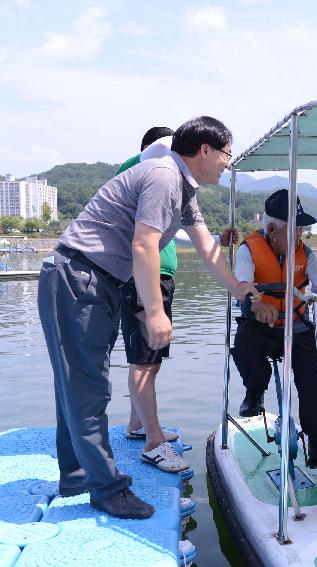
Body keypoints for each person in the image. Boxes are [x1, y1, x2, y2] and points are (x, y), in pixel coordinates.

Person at [38, 116, 257, 519]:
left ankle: (75, 475)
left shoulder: (183, 188)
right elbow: (144, 244)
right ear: (205, 150)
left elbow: (207, 246)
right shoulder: (163, 176)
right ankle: (107, 489)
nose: (229, 163)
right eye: (227, 154)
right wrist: (155, 312)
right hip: (78, 279)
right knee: (87, 388)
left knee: (74, 384)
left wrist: (238, 288)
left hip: (94, 281)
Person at [231, 189, 317, 469]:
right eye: (295, 228)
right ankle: (255, 392)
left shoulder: (305, 252)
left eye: (301, 228)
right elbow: (243, 284)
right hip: (261, 324)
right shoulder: (248, 250)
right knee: (244, 346)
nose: (300, 233)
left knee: (314, 380)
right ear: (273, 229)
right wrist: (256, 302)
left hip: (296, 325)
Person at [114, 128, 189, 474]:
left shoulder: (171, 176)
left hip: (161, 276)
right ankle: (153, 441)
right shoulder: (145, 168)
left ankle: (137, 425)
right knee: (143, 359)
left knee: (150, 359)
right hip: (141, 276)